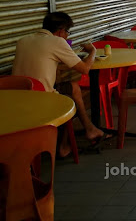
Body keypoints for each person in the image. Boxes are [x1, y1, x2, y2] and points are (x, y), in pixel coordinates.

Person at [12, 12, 107, 157]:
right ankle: (65, 145)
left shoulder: (23, 40)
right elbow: (85, 69)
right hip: (41, 100)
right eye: (67, 32)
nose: (67, 36)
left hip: (18, 99)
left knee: (73, 87)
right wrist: (93, 51)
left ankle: (89, 130)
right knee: (69, 99)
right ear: (61, 30)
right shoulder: (57, 42)